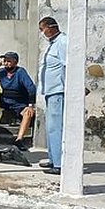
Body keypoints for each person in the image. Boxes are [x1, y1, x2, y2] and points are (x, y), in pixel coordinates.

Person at [0, 51, 37, 151]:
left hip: (18, 102)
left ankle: (19, 139)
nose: (6, 63)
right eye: (5, 61)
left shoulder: (20, 72)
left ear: (15, 62)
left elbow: (31, 88)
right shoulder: (1, 72)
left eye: (8, 61)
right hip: (4, 100)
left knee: (28, 113)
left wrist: (30, 105)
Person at [38, 16, 67, 175]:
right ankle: (52, 157)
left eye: (43, 29)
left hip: (58, 90)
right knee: (50, 128)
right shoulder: (52, 44)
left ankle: (59, 163)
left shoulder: (62, 42)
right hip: (50, 91)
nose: (42, 33)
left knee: (56, 128)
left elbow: (67, 65)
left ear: (51, 27)